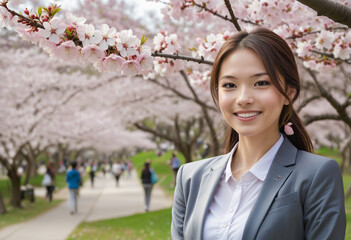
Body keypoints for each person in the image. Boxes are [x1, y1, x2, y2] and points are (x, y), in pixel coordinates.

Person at [171, 27, 346, 240]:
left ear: (289, 93)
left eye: (261, 83)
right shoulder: (190, 177)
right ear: (217, 93)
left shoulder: (316, 175)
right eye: (230, 85)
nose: (243, 98)